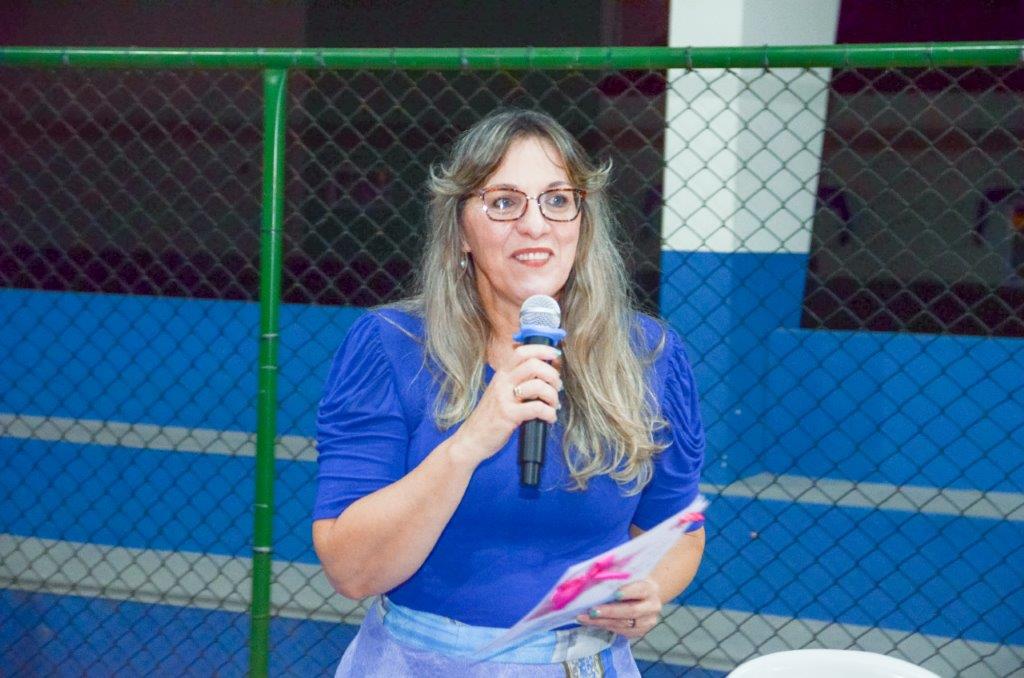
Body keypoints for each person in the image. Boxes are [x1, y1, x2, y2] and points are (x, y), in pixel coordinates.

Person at [312, 108, 706, 676]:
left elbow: (678, 532)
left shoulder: (648, 353)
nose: (535, 225)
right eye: (503, 202)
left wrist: (649, 589)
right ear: (460, 231)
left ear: (583, 223)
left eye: (557, 200)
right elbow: (352, 571)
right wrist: (469, 443)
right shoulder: (391, 345)